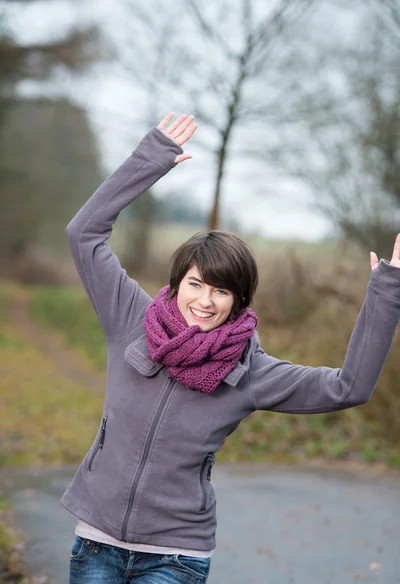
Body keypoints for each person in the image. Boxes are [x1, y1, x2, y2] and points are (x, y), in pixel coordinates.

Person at [61, 113, 400, 584]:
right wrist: (151, 159)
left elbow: (349, 387)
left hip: (175, 556)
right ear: (178, 282)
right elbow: (84, 235)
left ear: (238, 299)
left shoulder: (250, 371)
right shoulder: (130, 320)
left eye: (220, 291)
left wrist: (388, 290)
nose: (204, 301)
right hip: (96, 541)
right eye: (196, 284)